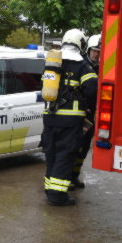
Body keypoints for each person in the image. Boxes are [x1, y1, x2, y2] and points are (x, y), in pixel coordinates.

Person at [42, 29, 98, 205]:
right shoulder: (82, 65)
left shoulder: (53, 62)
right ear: (81, 44)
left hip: (50, 117)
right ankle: (57, 196)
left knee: (52, 154)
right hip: (71, 119)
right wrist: (88, 107)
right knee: (65, 156)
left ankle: (49, 188)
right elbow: (92, 89)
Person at [71, 33, 101, 189]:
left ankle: (74, 176)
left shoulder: (102, 68)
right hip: (80, 114)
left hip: (92, 116)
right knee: (74, 147)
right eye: (93, 51)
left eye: (98, 51)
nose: (96, 54)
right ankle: (67, 177)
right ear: (88, 50)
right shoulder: (82, 66)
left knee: (84, 149)